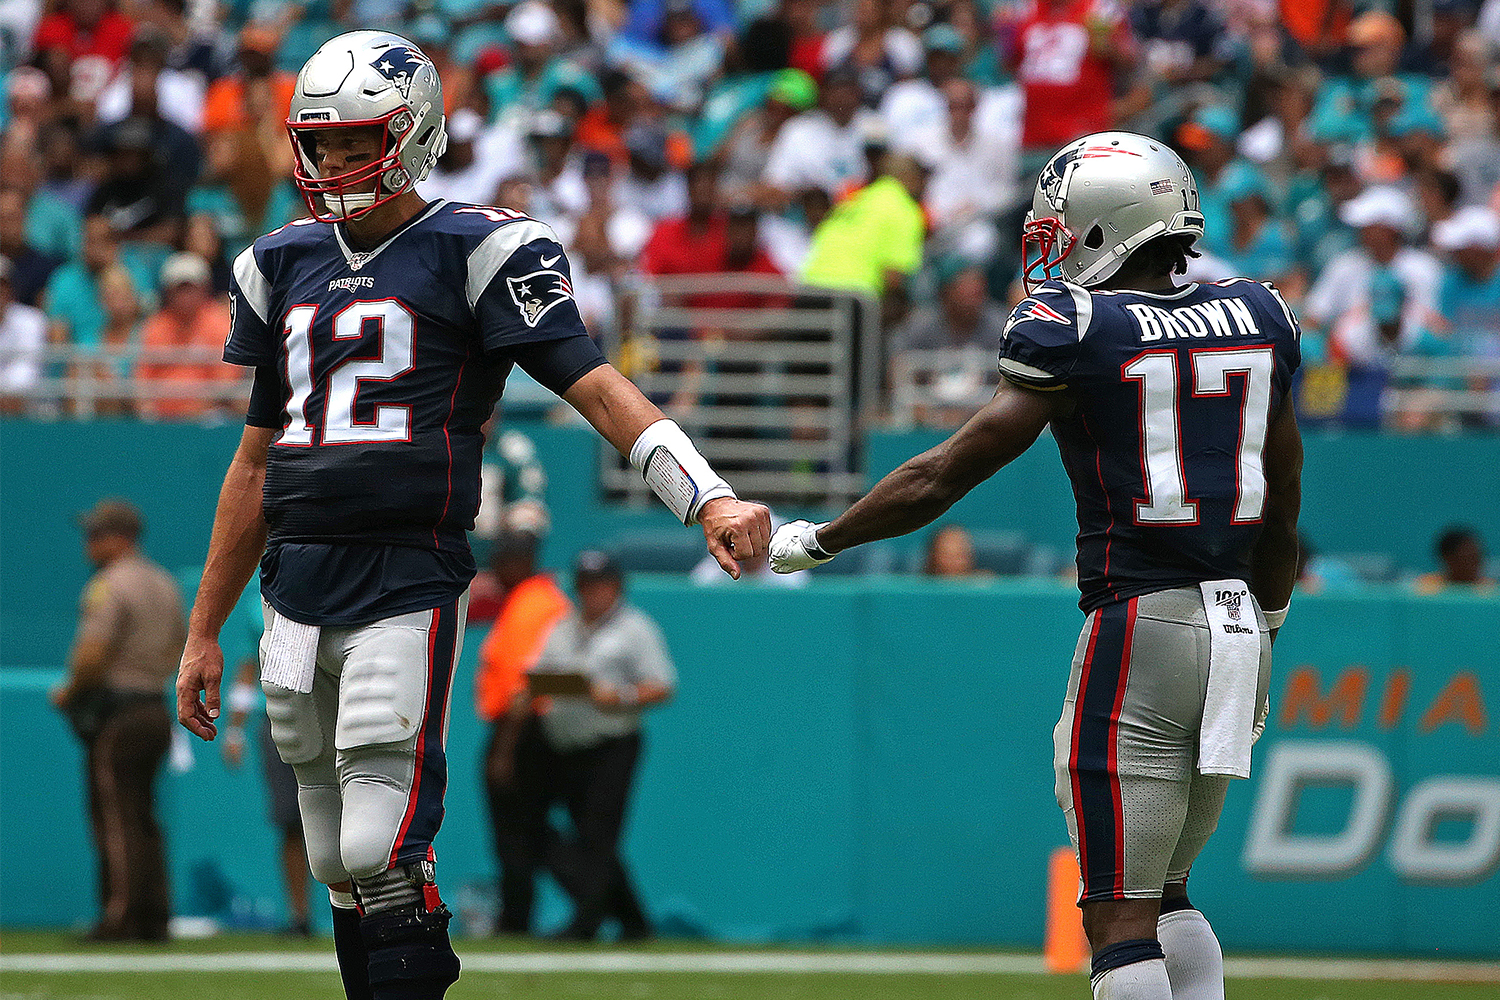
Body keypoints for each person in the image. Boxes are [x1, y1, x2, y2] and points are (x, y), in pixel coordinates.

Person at [173, 31, 769, 1000]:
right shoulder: (275, 263)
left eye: (351, 141)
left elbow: (594, 383)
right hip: (293, 577)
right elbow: (252, 463)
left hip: (406, 567)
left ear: (413, 134)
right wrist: (204, 628)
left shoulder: (482, 247)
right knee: (331, 853)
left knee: (380, 834)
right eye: (317, 144)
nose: (330, 164)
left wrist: (705, 490)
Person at [771, 132, 1304, 1000]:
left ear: (1108, 223)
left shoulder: (1079, 327)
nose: (1050, 238)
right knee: (1168, 892)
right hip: (1241, 620)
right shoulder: (1260, 313)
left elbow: (944, 472)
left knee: (1118, 916)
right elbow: (1284, 497)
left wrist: (824, 538)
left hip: (1142, 622)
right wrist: (1271, 618)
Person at [52, 499, 186, 942]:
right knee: (144, 814)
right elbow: (177, 647)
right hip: (154, 705)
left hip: (118, 710)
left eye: (96, 534)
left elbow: (93, 652)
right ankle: (154, 915)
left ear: (118, 537)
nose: (89, 543)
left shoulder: (109, 584)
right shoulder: (164, 582)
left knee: (114, 815)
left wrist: (70, 692)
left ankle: (121, 915)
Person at [531, 551, 675, 941]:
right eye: (583, 585)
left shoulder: (635, 629)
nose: (590, 593)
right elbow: (535, 676)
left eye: (598, 585)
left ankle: (587, 922)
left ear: (615, 587)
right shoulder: (562, 628)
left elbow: (662, 685)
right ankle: (635, 922)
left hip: (613, 743)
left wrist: (620, 696)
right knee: (588, 837)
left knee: (597, 834)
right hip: (566, 746)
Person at [474, 532, 571, 935]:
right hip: (530, 728)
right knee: (528, 831)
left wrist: (504, 750)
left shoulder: (532, 605)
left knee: (517, 833)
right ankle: (520, 914)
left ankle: (516, 919)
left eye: (501, 558)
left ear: (521, 560)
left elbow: (524, 685)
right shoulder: (536, 600)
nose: (495, 567)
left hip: (522, 730)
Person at [220, 588, 314, 938]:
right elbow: (250, 661)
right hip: (277, 717)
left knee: (343, 819)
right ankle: (300, 916)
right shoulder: (256, 593)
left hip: (326, 709)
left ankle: (357, 910)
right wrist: (233, 729)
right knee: (290, 822)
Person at [1414, 526, 1495, 595]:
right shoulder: (1427, 587)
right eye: (1469, 557)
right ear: (1448, 557)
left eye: (1478, 557)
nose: (1477, 562)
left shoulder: (1489, 589)